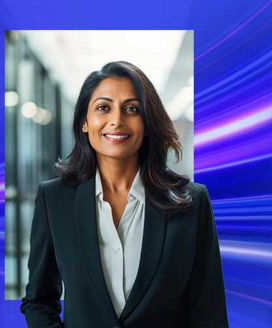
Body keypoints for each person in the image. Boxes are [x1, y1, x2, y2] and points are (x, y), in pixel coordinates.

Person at [20, 61, 229, 328]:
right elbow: (38, 300)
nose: (116, 120)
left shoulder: (191, 201)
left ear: (147, 123)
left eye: (132, 109)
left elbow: (208, 310)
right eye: (103, 108)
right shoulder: (54, 199)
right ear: (85, 122)